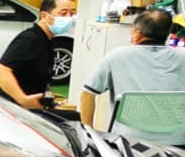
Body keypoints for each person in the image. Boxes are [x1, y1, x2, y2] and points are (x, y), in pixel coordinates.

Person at [79, 8, 185, 139]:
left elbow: (87, 94)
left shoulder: (117, 57)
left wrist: (90, 135)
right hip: (177, 141)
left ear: (137, 34)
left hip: (128, 142)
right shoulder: (182, 57)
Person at [0, 0, 77, 110]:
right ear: (44, 16)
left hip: (36, 106)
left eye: (72, 13)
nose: (68, 18)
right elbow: (1, 71)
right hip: (15, 109)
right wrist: (23, 99)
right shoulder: (30, 39)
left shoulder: (46, 40)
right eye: (63, 13)